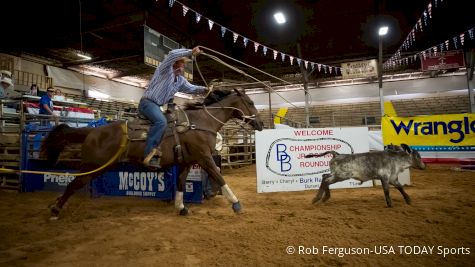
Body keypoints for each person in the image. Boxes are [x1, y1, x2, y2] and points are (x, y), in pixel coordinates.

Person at [140, 46, 208, 168]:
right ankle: (149, 154)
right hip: (148, 103)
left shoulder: (180, 80)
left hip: (156, 106)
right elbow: (171, 54)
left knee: (171, 123)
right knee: (161, 122)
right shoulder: (164, 70)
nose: (183, 66)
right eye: (182, 63)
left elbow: (191, 88)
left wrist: (205, 89)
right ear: (176, 63)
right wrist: (190, 52)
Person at [202, 132, 223, 199]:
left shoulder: (213, 134)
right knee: (204, 175)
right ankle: (203, 192)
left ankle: (208, 191)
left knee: (208, 174)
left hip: (209, 157)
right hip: (204, 158)